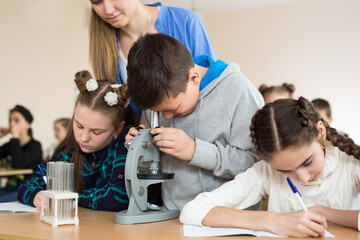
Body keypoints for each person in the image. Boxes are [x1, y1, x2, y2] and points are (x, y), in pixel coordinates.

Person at [180, 97, 360, 238]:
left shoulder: (350, 163)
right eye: (284, 171)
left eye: (307, 162)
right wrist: (274, 221)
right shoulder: (265, 171)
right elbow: (192, 210)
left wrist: (323, 212)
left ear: (320, 132)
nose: (303, 178)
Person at [125, 33, 264, 210]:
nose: (165, 117)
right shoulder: (157, 94)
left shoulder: (239, 92)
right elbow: (152, 165)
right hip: (173, 217)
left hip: (230, 220)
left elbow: (258, 164)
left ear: (194, 78)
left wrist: (194, 150)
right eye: (158, 112)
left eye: (172, 109)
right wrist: (140, 147)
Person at [18, 70, 139, 211]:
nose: (83, 137)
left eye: (96, 131)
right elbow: (26, 186)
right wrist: (37, 195)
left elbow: (117, 198)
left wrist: (68, 197)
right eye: (79, 126)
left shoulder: (126, 147)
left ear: (118, 129)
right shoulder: (70, 152)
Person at [89, 0, 216, 116]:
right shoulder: (104, 47)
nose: (108, 10)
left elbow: (212, 90)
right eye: (96, 1)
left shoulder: (186, 21)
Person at [0, 105, 43, 202]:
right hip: (9, 188)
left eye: (16, 120)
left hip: (27, 190)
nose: (11, 124)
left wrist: (15, 137)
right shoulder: (10, 145)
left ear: (27, 124)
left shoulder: (35, 146)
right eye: (10, 120)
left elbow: (18, 163)